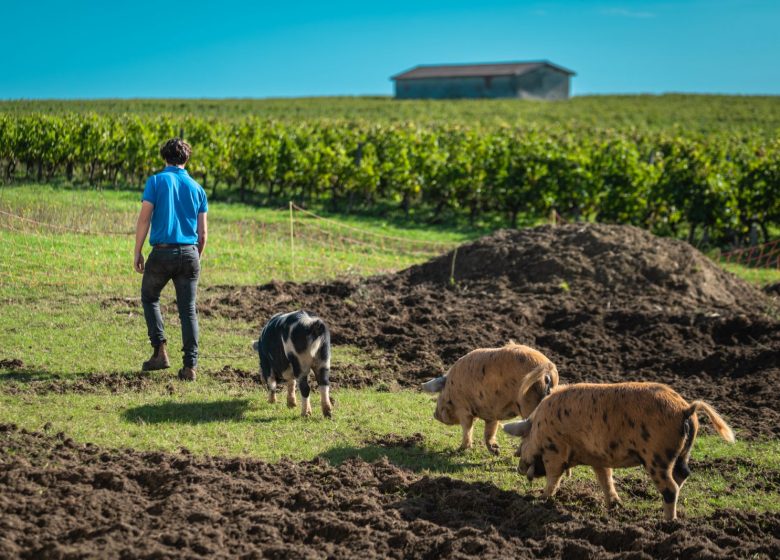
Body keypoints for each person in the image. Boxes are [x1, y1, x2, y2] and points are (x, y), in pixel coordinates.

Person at [133, 138, 208, 381]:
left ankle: (160, 351)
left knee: (149, 296)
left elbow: (144, 219)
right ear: (187, 159)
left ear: (164, 158)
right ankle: (190, 366)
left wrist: (138, 251)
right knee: (188, 310)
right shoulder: (198, 189)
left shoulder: (155, 181)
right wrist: (195, 257)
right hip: (189, 252)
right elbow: (203, 233)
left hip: (162, 252)